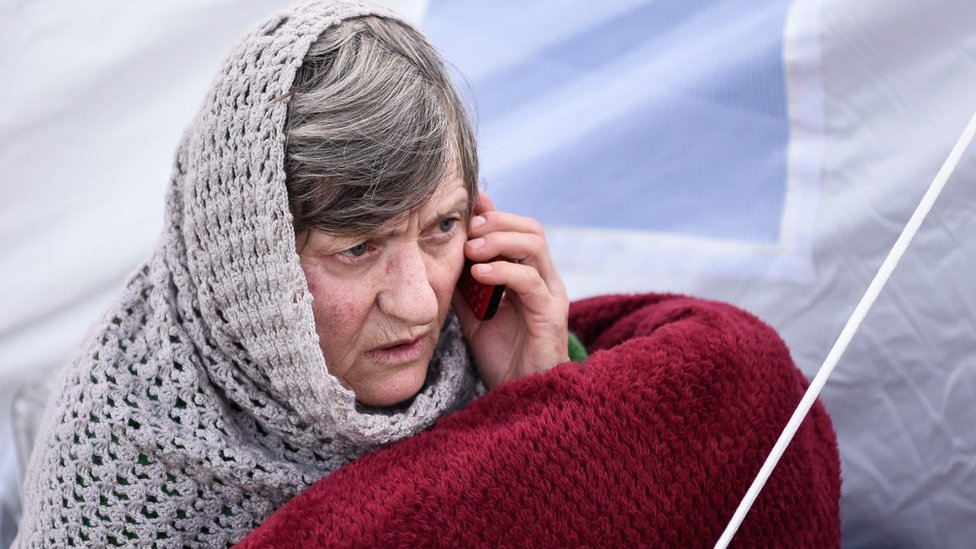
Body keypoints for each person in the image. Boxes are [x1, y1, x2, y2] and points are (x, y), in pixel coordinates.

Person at [13, 1, 573, 546]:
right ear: (250, 265)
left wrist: (539, 404)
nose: (420, 304)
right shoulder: (119, 462)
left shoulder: (485, 350)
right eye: (357, 248)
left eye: (442, 227)